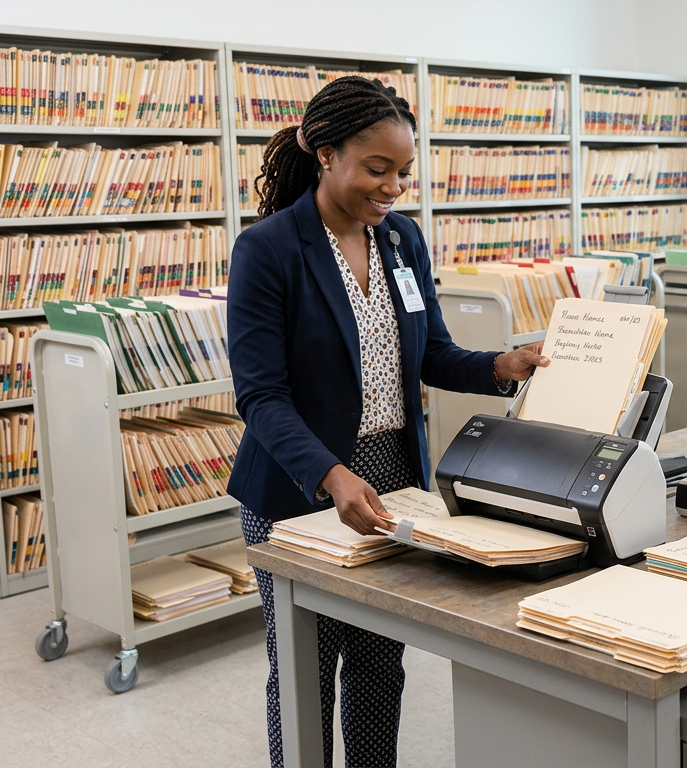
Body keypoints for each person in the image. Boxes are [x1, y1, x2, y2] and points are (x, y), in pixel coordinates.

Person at [226, 76, 547, 768]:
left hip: (393, 481)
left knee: (378, 661)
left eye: (403, 171)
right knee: (304, 668)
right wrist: (329, 474)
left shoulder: (401, 240)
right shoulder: (269, 251)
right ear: (326, 154)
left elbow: (429, 353)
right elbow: (260, 396)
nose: (394, 186)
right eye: (377, 169)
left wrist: (501, 365)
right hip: (295, 486)